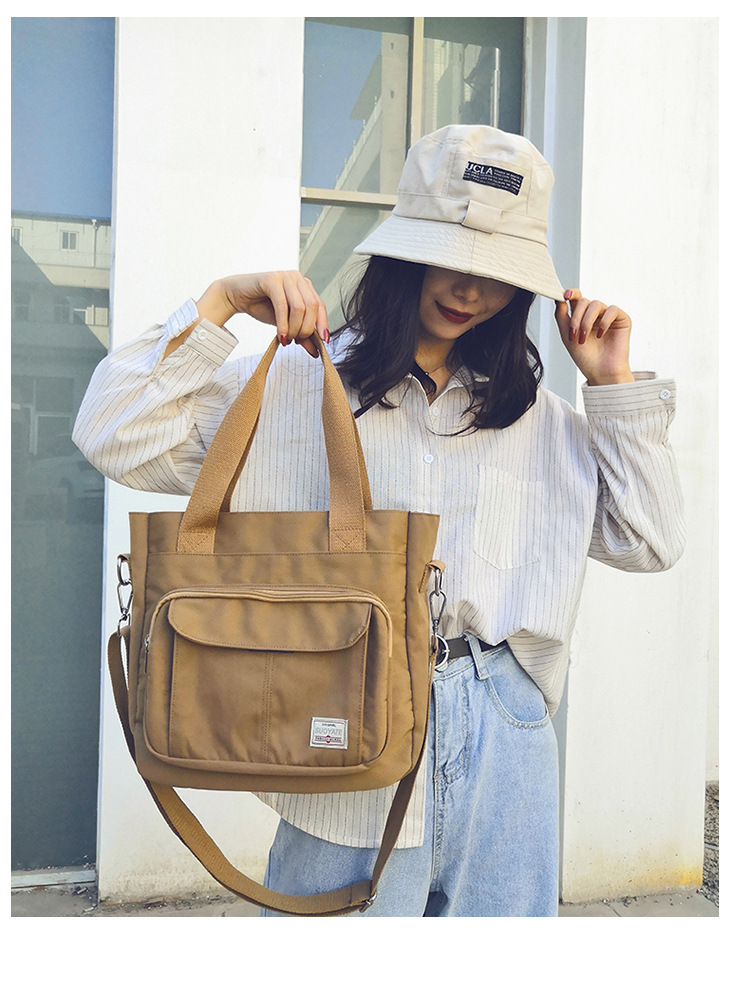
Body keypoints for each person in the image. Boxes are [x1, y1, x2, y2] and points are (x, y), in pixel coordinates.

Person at [73, 125, 684, 917]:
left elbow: (651, 539)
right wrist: (221, 301)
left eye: (496, 273)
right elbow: (111, 431)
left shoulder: (542, 421)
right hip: (340, 716)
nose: (469, 289)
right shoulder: (294, 385)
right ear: (401, 254)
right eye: (447, 257)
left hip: (504, 736)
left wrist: (613, 385)